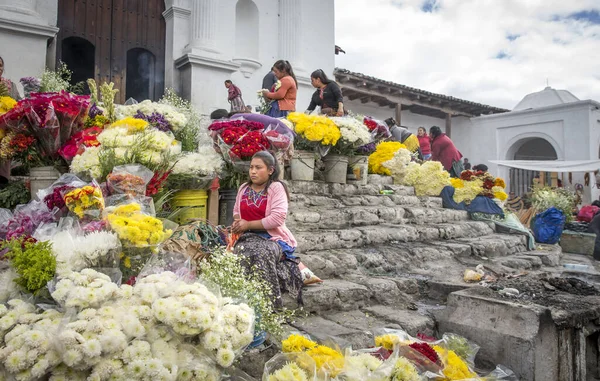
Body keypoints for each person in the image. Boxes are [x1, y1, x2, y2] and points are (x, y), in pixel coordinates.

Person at [232, 151, 302, 307]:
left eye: (258, 167)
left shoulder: (276, 188)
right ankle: (243, 302)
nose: (253, 171)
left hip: (273, 239)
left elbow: (277, 218)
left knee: (261, 252)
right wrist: (238, 224)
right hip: (246, 237)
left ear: (270, 170)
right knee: (240, 253)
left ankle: (268, 305)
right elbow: (237, 212)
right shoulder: (243, 188)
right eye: (251, 167)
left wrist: (248, 224)